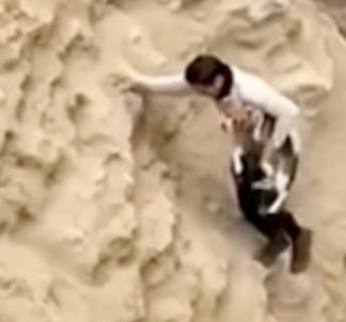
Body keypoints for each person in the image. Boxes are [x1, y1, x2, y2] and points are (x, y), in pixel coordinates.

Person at [124, 53, 303, 213]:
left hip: (278, 131)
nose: (199, 93)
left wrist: (268, 141)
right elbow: (170, 87)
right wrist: (138, 83)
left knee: (276, 184)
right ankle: (252, 203)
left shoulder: (251, 91)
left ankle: (276, 212)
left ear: (217, 81)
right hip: (245, 127)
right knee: (242, 167)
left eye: (202, 90)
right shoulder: (208, 82)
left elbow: (289, 112)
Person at [227, 114, 306, 272]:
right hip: (260, 164)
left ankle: (284, 238)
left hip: (270, 166)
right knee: (252, 204)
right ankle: (292, 234)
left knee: (258, 206)